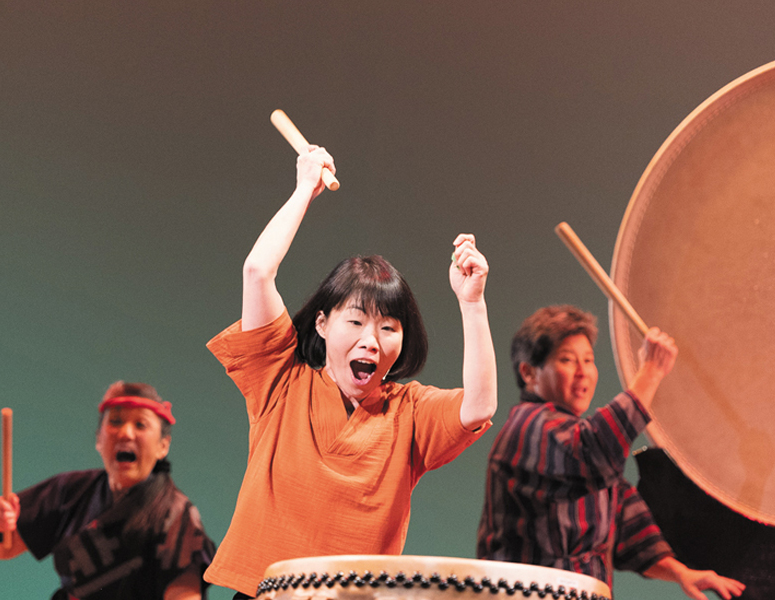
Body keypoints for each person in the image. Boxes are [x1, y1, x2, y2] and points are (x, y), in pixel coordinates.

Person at [204, 146, 497, 597]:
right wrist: (304, 189)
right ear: (322, 324)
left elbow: (480, 405)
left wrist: (472, 303)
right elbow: (258, 271)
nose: (371, 340)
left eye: (388, 327)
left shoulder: (409, 413)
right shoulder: (280, 380)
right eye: (356, 321)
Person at [477, 306, 745, 600]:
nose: (583, 372)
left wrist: (681, 573)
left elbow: (630, 531)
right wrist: (651, 371)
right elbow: (593, 454)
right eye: (567, 359)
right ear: (528, 372)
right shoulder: (529, 426)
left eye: (588, 360)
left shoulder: (571, 441)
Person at [0, 381, 216, 600]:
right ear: (98, 439)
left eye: (140, 424)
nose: (126, 433)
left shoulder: (176, 514)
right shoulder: (70, 490)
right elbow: (0, 549)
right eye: (115, 421)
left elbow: (184, 593)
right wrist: (0, 526)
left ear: (163, 446)